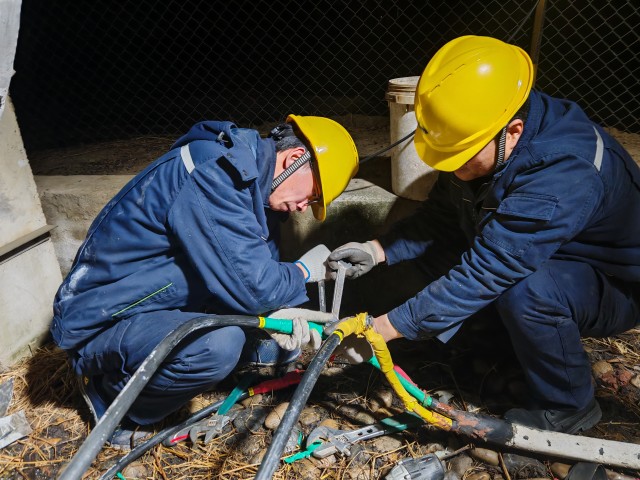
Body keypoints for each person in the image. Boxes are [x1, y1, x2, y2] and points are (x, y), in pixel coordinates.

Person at [328, 35, 640, 434]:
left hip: (612, 283)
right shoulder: (482, 133)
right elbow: (442, 217)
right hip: (550, 254)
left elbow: (489, 270)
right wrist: (377, 249)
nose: (451, 167)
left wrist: (384, 329)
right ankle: (498, 344)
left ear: (514, 131)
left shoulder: (562, 172)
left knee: (527, 290)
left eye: (459, 158)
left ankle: (569, 404)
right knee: (455, 254)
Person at [51, 115, 358, 446]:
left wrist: (282, 308)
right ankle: (112, 398)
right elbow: (256, 287)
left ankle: (170, 366)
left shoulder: (251, 184)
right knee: (217, 346)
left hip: (157, 302)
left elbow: (258, 266)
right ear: (294, 158)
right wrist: (302, 272)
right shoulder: (214, 175)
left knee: (268, 345)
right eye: (313, 196)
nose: (303, 208)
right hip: (102, 321)